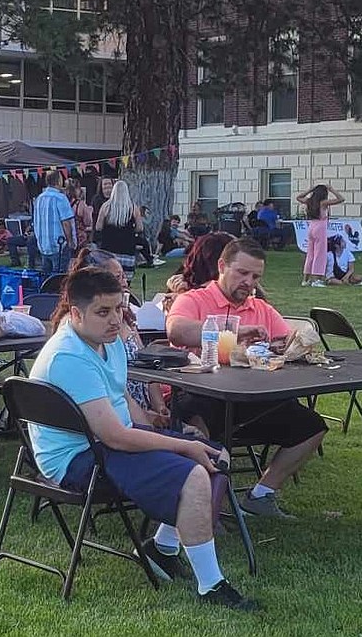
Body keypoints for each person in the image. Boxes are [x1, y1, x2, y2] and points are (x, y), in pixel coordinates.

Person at [28, 267, 255, 610]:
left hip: (102, 443)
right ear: (75, 313)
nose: (114, 319)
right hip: (77, 459)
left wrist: (156, 423)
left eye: (119, 309)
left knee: (214, 453)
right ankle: (210, 585)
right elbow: (116, 437)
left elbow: (121, 397)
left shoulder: (107, 340)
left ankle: (162, 549)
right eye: (103, 312)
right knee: (195, 466)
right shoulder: (69, 356)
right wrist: (183, 444)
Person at [166, 237, 328, 518]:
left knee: (310, 425)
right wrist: (234, 333)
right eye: (242, 273)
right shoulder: (193, 299)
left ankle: (262, 495)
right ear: (221, 266)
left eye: (255, 276)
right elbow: (177, 331)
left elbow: (285, 341)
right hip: (201, 395)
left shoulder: (261, 308)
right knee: (195, 415)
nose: (249, 282)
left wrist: (286, 348)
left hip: (251, 399)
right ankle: (199, 507)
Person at [50, 246, 169, 423]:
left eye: (123, 276)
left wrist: (159, 405)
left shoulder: (124, 318)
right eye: (116, 278)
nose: (123, 283)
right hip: (111, 417)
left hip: (135, 409)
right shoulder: (78, 330)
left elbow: (146, 362)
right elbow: (113, 428)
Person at [96, 180, 162, 267]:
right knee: (126, 277)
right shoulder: (133, 208)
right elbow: (140, 228)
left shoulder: (105, 207)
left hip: (108, 248)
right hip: (127, 248)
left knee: (109, 277)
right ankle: (149, 260)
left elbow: (98, 227)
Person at [297, 184, 345, 287]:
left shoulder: (309, 201)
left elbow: (299, 197)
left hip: (311, 226)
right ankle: (316, 280)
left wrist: (310, 190)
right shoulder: (323, 203)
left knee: (310, 254)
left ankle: (305, 280)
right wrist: (332, 189)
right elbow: (341, 199)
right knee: (319, 255)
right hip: (320, 228)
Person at [32, 170, 76, 274]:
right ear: (59, 181)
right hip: (59, 245)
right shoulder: (60, 198)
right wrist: (70, 242)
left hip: (43, 245)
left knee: (46, 278)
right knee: (60, 278)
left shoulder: (39, 198)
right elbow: (66, 222)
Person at [67, 179, 94, 249]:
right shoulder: (81, 204)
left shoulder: (64, 203)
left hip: (67, 238)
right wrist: (89, 211)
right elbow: (88, 222)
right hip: (80, 238)